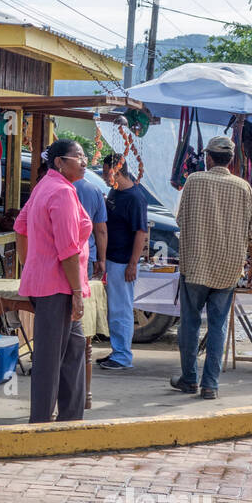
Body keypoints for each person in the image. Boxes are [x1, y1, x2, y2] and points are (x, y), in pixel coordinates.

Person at [171, 135, 252, 400]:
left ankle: (189, 379)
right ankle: (210, 384)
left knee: (189, 324)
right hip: (228, 268)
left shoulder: (194, 182)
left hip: (196, 266)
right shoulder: (243, 187)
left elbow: (180, 220)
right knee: (218, 325)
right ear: (231, 160)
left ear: (209, 157)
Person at [13, 138, 92, 423]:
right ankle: (41, 423)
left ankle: (70, 419)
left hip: (53, 284)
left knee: (73, 353)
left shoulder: (45, 187)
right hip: (59, 288)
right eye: (78, 157)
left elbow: (20, 227)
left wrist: (31, 264)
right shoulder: (59, 192)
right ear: (59, 162)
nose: (84, 162)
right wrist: (75, 291)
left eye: (85, 156)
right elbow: (68, 249)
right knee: (49, 360)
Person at [99, 150, 149, 371]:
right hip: (112, 258)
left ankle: (122, 356)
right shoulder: (115, 191)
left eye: (105, 172)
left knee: (121, 309)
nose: (103, 176)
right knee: (115, 308)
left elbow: (141, 232)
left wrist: (132, 264)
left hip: (122, 261)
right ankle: (118, 351)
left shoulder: (135, 198)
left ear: (116, 171)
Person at [71, 149, 107, 279]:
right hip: (86, 255)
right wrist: (101, 259)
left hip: (60, 256)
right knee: (82, 296)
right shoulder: (94, 190)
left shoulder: (51, 187)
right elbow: (101, 230)